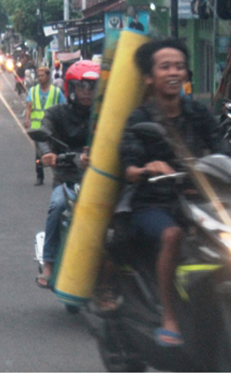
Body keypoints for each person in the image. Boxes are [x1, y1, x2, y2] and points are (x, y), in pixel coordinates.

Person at [117, 39, 229, 346]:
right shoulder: (140, 118)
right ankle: (170, 316)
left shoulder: (199, 113)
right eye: (165, 66)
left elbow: (222, 149)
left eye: (179, 66)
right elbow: (128, 167)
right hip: (152, 202)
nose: (173, 72)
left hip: (198, 199)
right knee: (172, 236)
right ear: (149, 76)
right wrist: (147, 168)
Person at [35, 60, 100, 288]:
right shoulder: (57, 113)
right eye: (82, 87)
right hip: (68, 179)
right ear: (71, 88)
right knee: (58, 206)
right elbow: (44, 133)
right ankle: (49, 262)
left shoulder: (105, 115)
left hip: (102, 181)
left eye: (92, 87)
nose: (87, 93)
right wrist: (48, 153)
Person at [25, 67, 67, 186]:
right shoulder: (33, 91)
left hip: (52, 129)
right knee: (39, 155)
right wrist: (27, 119)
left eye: (42, 76)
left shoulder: (56, 92)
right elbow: (29, 107)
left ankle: (58, 176)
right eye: (38, 76)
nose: (40, 78)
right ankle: (40, 176)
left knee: (54, 152)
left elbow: (64, 107)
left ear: (48, 76)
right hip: (38, 129)